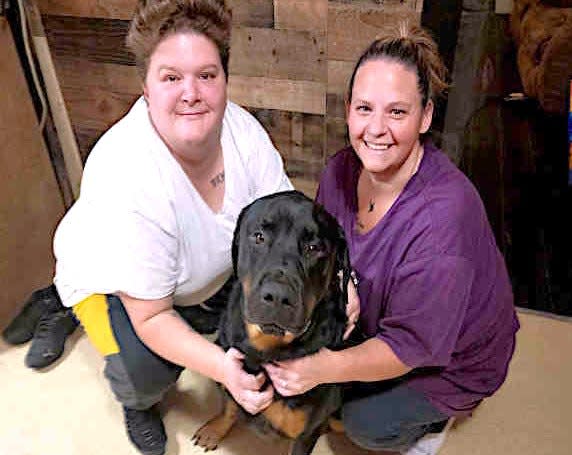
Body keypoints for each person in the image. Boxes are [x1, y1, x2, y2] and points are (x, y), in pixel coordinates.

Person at [49, 1, 296, 454]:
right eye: (171, 77)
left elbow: (283, 220)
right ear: (145, 87)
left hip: (193, 273)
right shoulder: (127, 174)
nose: (191, 93)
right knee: (149, 373)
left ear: (224, 81)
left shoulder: (244, 133)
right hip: (112, 285)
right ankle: (133, 398)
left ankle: (195, 307)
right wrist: (226, 370)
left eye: (206, 75)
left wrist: (343, 279)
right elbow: (151, 316)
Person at [264, 22, 520, 455]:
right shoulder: (338, 171)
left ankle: (433, 423)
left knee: (362, 423)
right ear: (348, 109)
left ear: (425, 117)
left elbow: (409, 347)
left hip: (455, 360)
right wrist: (343, 283)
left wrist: (325, 368)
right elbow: (329, 247)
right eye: (364, 108)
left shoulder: (443, 219)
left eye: (397, 112)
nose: (376, 129)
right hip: (384, 319)